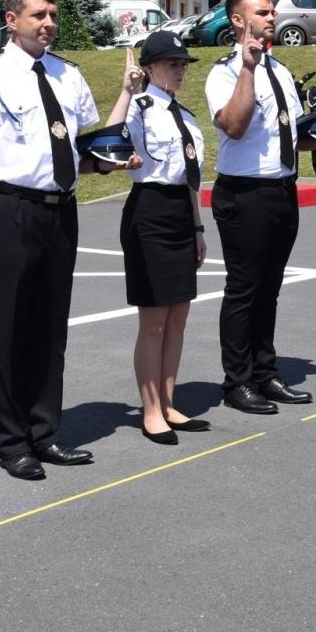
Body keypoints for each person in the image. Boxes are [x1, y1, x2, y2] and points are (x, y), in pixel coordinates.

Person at [0, 0, 117, 480]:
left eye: (53, 14)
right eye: (39, 14)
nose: (49, 23)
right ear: (12, 19)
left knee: (50, 327)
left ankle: (45, 433)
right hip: (11, 211)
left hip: (61, 210)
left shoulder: (67, 75)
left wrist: (109, 157)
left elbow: (78, 146)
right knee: (11, 328)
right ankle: (13, 441)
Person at [205, 0, 316, 415]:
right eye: (263, 12)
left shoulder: (283, 71)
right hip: (244, 193)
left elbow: (286, 136)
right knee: (244, 290)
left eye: (272, 12)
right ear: (238, 20)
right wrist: (248, 69)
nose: (272, 17)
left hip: (281, 190)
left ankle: (264, 372)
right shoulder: (226, 72)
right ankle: (236, 381)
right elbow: (233, 127)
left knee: (269, 289)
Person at [108, 31, 209, 445]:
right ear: (149, 68)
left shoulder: (186, 116)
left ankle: (168, 402)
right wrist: (126, 92)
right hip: (148, 212)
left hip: (180, 215)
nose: (180, 68)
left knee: (178, 319)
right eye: (172, 63)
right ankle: (150, 411)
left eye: (183, 62)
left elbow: (191, 177)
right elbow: (109, 142)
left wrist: (198, 227)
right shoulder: (139, 107)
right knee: (153, 322)